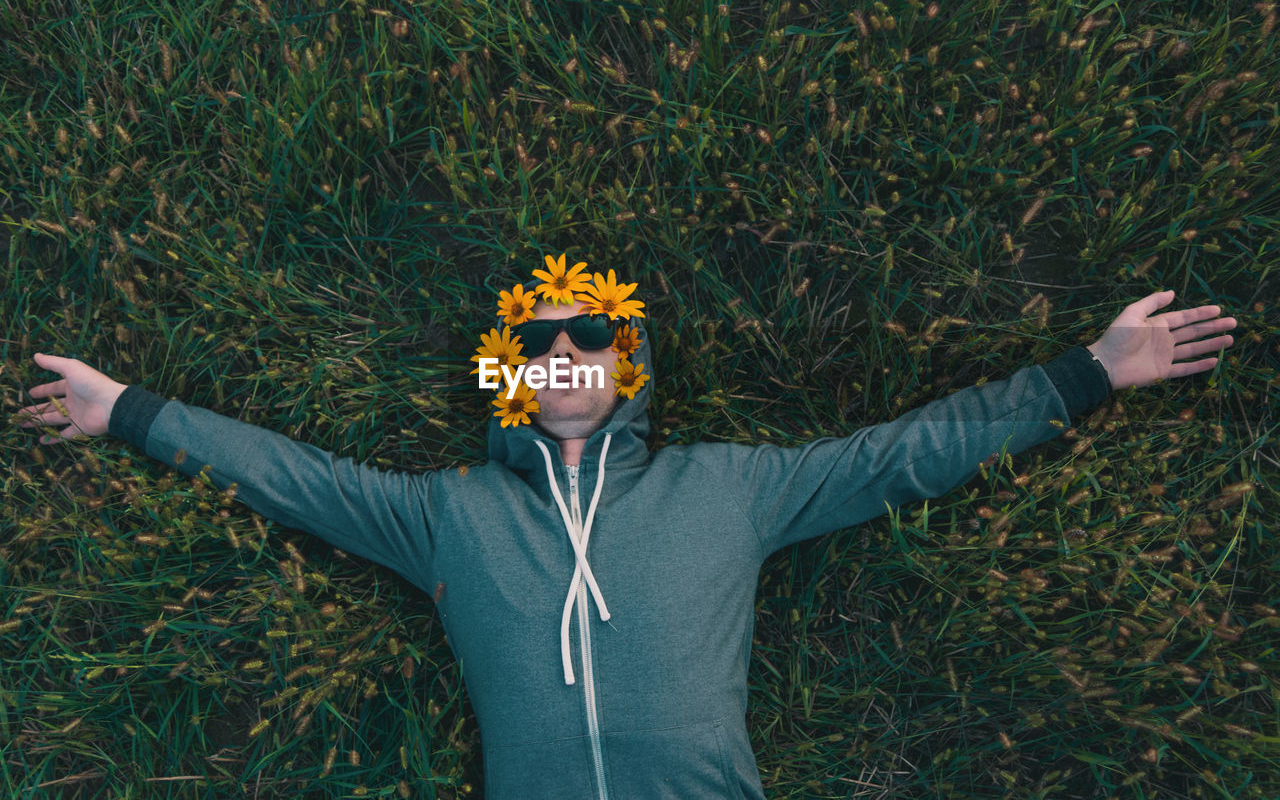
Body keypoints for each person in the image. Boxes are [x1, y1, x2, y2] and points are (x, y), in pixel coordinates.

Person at [15, 280, 1237, 799]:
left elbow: (896, 456)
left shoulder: (730, 489)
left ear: (625, 360)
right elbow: (291, 479)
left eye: (589, 333)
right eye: (538, 335)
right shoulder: (444, 513)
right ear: (509, 369)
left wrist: (1086, 374)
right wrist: (126, 408)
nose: (565, 352)